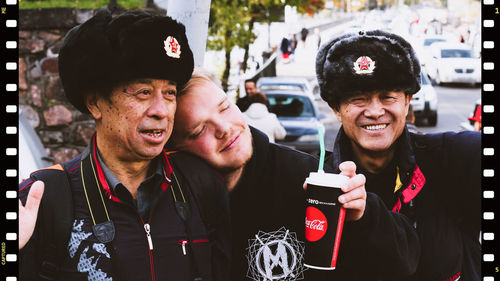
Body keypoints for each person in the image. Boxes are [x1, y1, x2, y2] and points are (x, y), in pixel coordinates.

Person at [18, 9, 230, 281]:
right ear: (95, 103)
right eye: (143, 93)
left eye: (170, 93)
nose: (161, 111)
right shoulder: (44, 200)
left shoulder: (201, 185)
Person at [169, 68, 421, 281]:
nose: (224, 128)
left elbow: (404, 261)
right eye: (199, 129)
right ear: (174, 149)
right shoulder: (169, 204)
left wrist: (365, 215)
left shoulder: (306, 178)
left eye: (224, 108)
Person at [316, 30, 480, 281]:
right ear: (336, 109)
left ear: (407, 102)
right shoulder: (319, 186)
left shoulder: (453, 159)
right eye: (358, 99)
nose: (374, 111)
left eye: (387, 97)